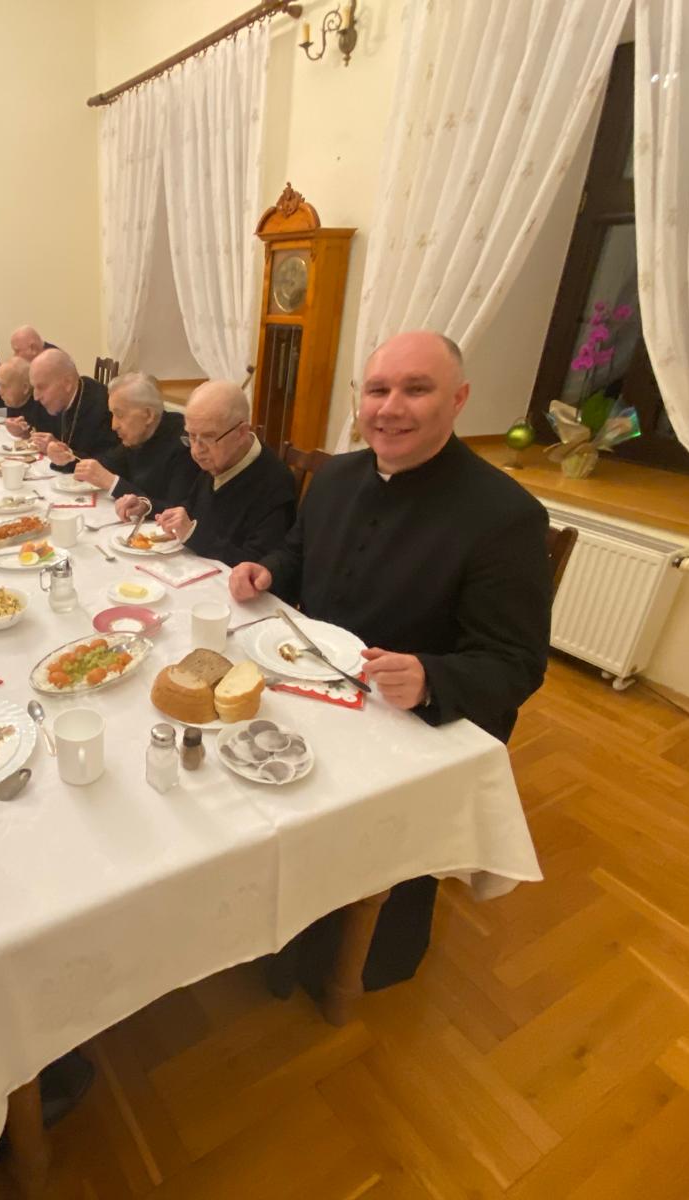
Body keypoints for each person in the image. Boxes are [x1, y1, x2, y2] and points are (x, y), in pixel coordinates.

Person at [229, 330, 551, 993]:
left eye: (416, 389)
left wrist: (433, 677)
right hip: (308, 689)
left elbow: (517, 663)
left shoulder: (506, 515)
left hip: (404, 722)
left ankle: (343, 953)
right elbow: (298, 552)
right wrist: (269, 570)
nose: (390, 407)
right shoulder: (337, 476)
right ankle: (256, 918)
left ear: (458, 399)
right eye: (377, 390)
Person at [112, 379, 295, 566]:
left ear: (241, 433)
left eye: (207, 437)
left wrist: (193, 533)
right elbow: (189, 508)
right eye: (191, 436)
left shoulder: (275, 484)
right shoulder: (218, 457)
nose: (196, 451)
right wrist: (146, 506)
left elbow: (256, 566)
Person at [73, 373, 200, 504]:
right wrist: (70, 456)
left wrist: (112, 483)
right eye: (112, 415)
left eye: (119, 415)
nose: (113, 425)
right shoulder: (138, 436)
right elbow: (104, 465)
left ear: (148, 415)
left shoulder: (184, 445)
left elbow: (176, 508)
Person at [17, 348, 119, 472]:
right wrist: (26, 432)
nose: (36, 397)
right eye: (34, 388)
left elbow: (111, 464)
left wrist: (68, 455)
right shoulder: (59, 400)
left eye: (41, 387)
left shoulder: (101, 407)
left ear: (67, 383)